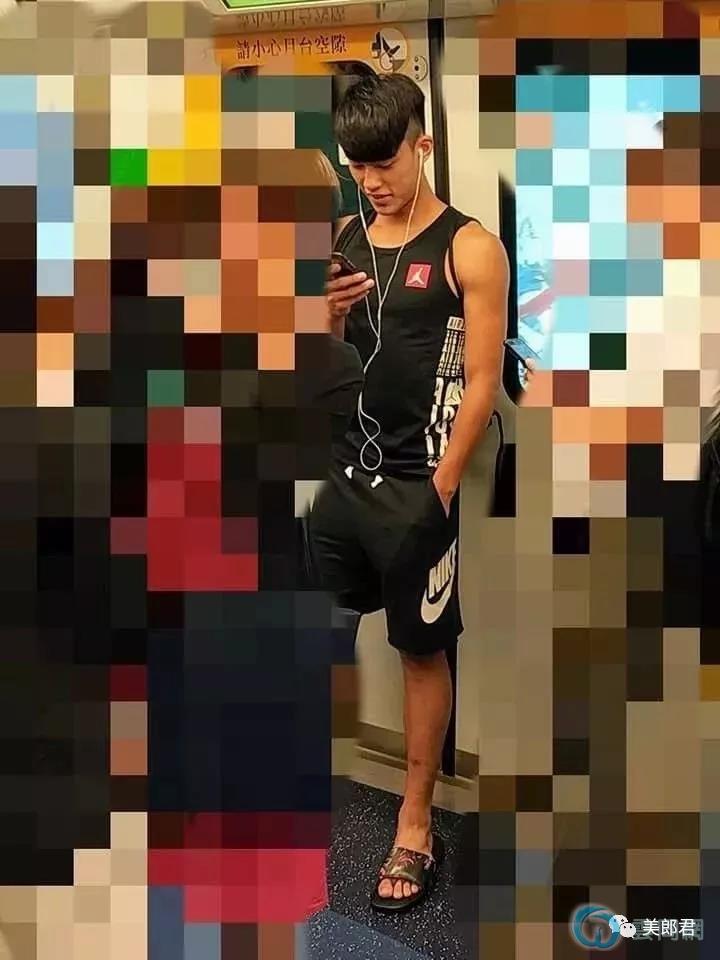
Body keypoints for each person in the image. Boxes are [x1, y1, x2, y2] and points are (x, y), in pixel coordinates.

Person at [307, 74, 509, 910]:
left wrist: (442, 492)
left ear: (422, 146)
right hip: (342, 478)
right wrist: (322, 316)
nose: (372, 182)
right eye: (357, 167)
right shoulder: (345, 236)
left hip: (418, 485)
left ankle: (415, 821)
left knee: (421, 651)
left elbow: (484, 381)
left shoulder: (470, 247)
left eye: (384, 163)